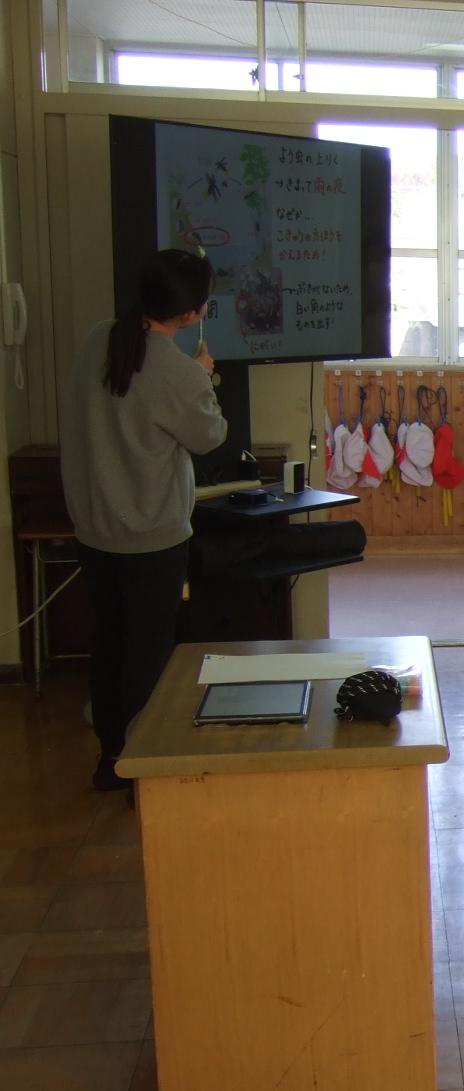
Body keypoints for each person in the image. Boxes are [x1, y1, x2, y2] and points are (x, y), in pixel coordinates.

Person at [60, 249, 225, 791]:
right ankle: (141, 775)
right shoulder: (177, 371)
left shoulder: (98, 338)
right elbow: (209, 436)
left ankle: (111, 762)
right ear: (191, 314)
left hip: (93, 529)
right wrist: (203, 378)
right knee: (148, 657)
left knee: (109, 644)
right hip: (152, 538)